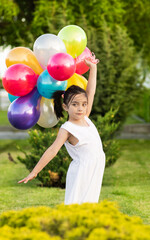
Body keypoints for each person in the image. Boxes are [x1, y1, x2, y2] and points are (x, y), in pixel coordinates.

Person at [18, 58, 106, 205]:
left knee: (91, 206)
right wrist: (35, 171)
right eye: (75, 104)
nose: (80, 108)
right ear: (65, 107)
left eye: (84, 104)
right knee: (77, 205)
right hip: (82, 173)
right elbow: (52, 151)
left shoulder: (86, 117)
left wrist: (93, 68)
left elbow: (91, 91)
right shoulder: (68, 128)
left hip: (95, 169)